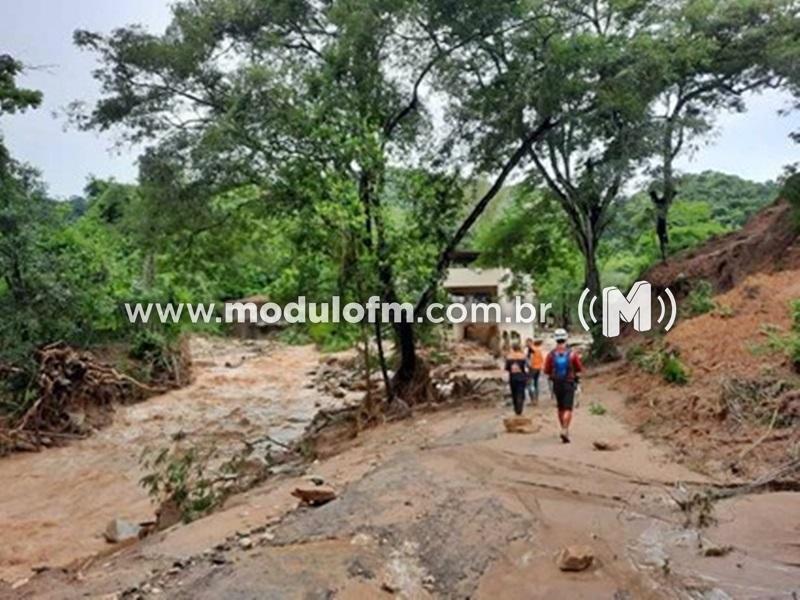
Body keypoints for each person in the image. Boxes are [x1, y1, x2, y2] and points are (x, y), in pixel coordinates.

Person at [543, 328, 583, 443]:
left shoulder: (551, 355)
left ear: (555, 339)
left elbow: (546, 370)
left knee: (560, 407)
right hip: (569, 382)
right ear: (566, 338)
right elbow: (579, 368)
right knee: (568, 408)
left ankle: (563, 428)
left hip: (556, 383)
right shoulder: (572, 354)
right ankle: (565, 429)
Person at [505, 342, 529, 416]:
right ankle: (520, 408)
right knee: (520, 393)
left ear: (513, 348)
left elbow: (507, 368)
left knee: (514, 393)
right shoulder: (523, 357)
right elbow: (527, 368)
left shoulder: (509, 357)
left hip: (513, 378)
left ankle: (516, 408)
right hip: (522, 377)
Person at [525, 338, 544, 405]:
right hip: (538, 368)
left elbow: (530, 359)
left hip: (533, 368)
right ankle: (536, 399)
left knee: (529, 383)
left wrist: (528, 366)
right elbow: (542, 359)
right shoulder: (538, 349)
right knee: (536, 383)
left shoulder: (531, 350)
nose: (526, 344)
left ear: (530, 343)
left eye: (527, 343)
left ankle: (533, 400)